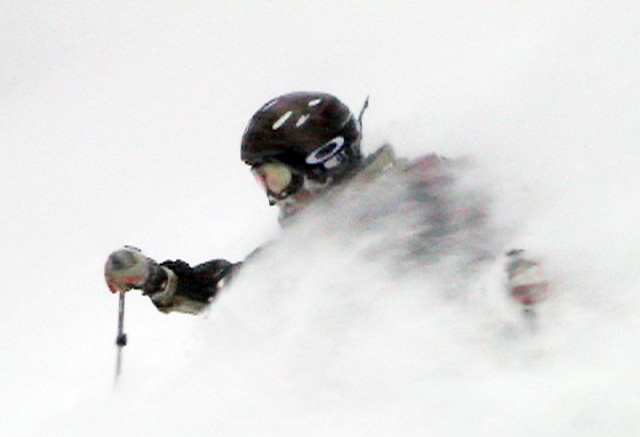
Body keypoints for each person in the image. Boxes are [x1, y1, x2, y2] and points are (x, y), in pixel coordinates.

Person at [104, 91, 548, 316]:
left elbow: (513, 216)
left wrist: (512, 272)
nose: (275, 195)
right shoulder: (315, 244)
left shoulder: (428, 185)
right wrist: (159, 280)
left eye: (276, 176)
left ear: (322, 162)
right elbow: (244, 288)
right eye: (264, 181)